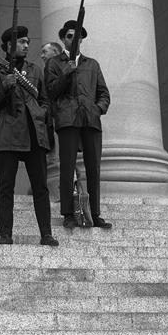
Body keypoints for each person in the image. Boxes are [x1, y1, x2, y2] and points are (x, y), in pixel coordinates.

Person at [0, 26, 57, 247]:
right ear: (8, 46)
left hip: (35, 131)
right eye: (22, 41)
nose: (26, 45)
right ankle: (6, 234)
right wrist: (5, 87)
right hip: (8, 132)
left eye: (27, 42)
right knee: (6, 186)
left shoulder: (35, 70)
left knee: (41, 187)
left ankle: (46, 234)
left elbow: (45, 99)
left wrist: (42, 112)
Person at [45, 19, 112, 230]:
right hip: (67, 120)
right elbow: (51, 92)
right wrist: (66, 72)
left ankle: (95, 213)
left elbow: (104, 94)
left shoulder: (92, 64)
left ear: (81, 39)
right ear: (63, 39)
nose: (73, 40)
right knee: (67, 168)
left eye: (76, 36)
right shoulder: (54, 63)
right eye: (69, 36)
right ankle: (68, 213)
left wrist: (97, 108)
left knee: (94, 169)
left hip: (90, 120)